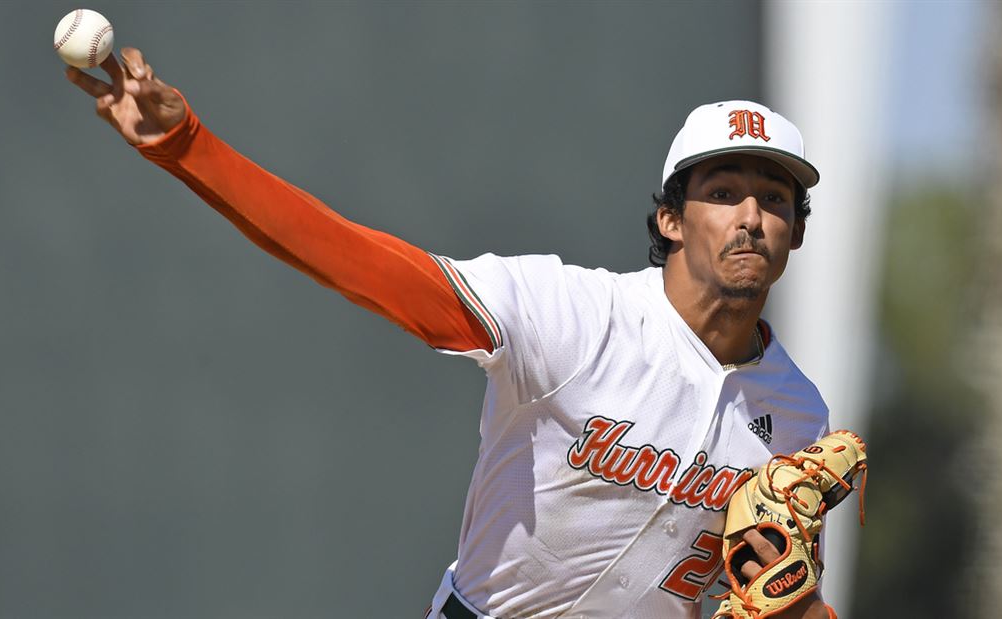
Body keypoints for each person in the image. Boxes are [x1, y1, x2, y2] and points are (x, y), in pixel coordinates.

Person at [65, 48, 837, 619]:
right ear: (671, 219)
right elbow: (360, 262)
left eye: (774, 198)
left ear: (795, 233)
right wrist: (188, 147)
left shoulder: (799, 418)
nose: (749, 217)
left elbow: (785, 598)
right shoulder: (574, 315)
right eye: (723, 191)